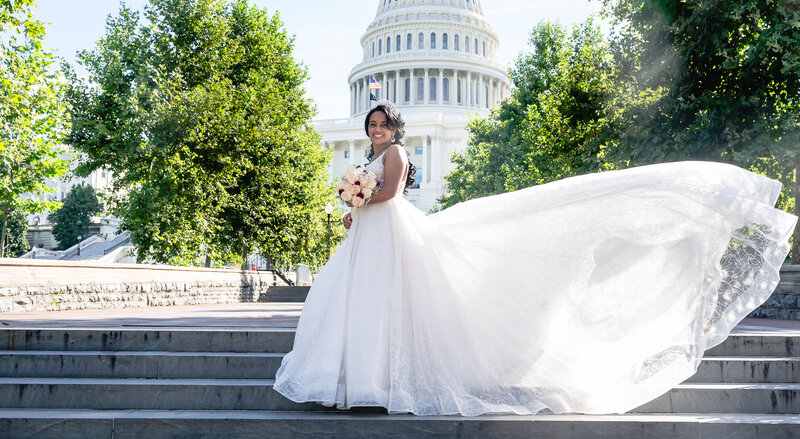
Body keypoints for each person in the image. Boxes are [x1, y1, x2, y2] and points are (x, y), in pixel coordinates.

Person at [273, 100, 797, 416]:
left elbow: (390, 195)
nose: (376, 131)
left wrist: (361, 198)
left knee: (391, 302)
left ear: (395, 128)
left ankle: (375, 381)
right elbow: (371, 196)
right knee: (363, 305)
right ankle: (358, 379)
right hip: (370, 236)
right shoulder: (368, 156)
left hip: (390, 231)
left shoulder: (398, 155)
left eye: (383, 125)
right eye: (372, 125)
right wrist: (352, 208)